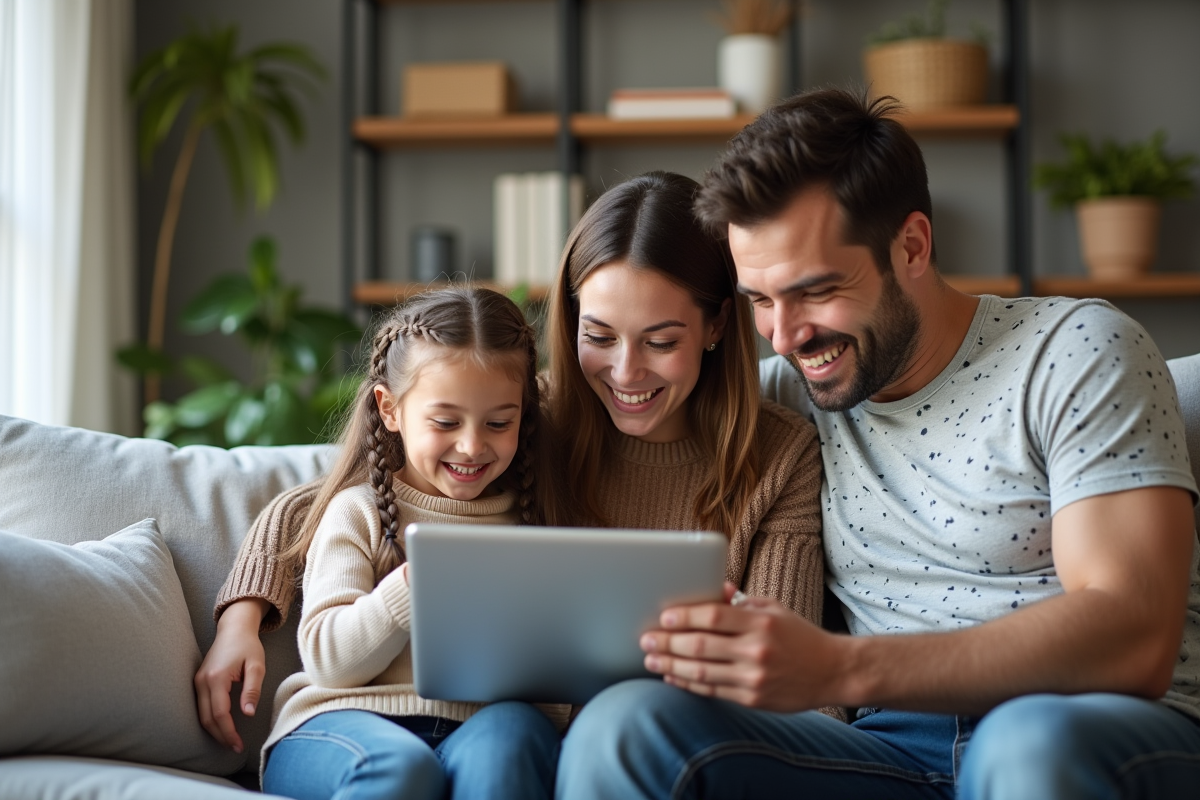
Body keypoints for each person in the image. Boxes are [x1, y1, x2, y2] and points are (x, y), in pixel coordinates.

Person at [556, 88, 1200, 799]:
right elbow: (598, 396)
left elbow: (1135, 635)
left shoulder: (1074, 351)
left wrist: (841, 669)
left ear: (913, 246)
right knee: (626, 726)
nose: (785, 334)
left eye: (817, 290)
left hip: (1086, 729)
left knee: (1025, 746)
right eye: (760, 301)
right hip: (890, 753)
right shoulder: (782, 398)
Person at [194, 172, 839, 762]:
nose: (626, 372)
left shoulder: (777, 457)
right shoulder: (528, 416)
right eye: (600, 335)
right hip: (522, 747)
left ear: (717, 324)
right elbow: (330, 500)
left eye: (661, 342)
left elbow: (793, 679)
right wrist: (241, 619)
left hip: (670, 748)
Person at [254, 287, 566, 800]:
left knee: (509, 749)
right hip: (341, 724)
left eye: (499, 422)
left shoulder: (534, 520)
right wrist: (409, 589)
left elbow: (556, 692)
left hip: (483, 728)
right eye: (445, 422)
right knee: (400, 770)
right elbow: (331, 662)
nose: (472, 444)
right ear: (390, 409)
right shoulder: (359, 513)